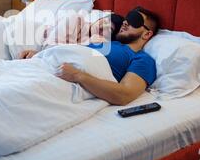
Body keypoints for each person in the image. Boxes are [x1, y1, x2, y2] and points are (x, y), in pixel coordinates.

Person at [20, 6, 158, 106]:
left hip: (67, 82)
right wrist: (41, 55)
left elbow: (124, 95)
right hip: (45, 68)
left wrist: (78, 76)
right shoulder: (104, 42)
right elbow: (71, 52)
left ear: (147, 34)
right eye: (127, 18)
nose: (125, 22)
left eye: (135, 20)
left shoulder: (142, 60)